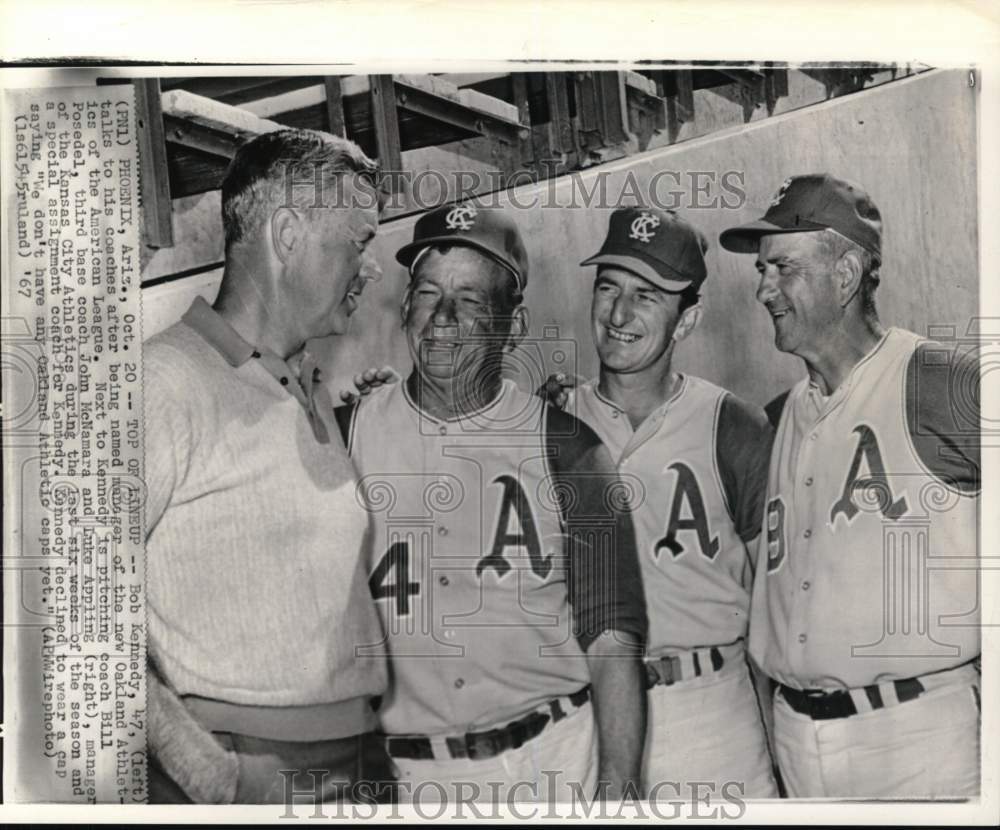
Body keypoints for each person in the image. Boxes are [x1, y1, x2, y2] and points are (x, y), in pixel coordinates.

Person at [335, 202, 648, 804]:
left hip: (556, 758)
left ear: (515, 323)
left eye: (472, 300)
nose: (443, 318)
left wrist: (616, 796)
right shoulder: (344, 438)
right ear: (404, 309)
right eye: (427, 293)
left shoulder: (570, 447)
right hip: (414, 777)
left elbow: (612, 640)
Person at [143, 128, 392, 804]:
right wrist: (212, 777)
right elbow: (59, 603)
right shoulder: (162, 380)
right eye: (359, 243)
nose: (370, 268)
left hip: (359, 766)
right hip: (254, 774)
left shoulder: (301, 382)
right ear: (287, 236)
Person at [719, 173, 981, 798]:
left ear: (845, 274)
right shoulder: (779, 418)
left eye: (782, 267)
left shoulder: (938, 381)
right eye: (761, 270)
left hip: (918, 738)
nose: (763, 289)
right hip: (798, 741)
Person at [543, 206, 778, 796]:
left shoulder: (733, 426)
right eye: (608, 289)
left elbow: (778, 614)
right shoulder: (548, 425)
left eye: (647, 297)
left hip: (711, 711)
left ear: (688, 319)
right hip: (586, 720)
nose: (619, 315)